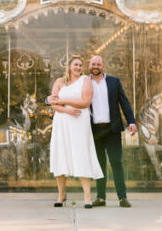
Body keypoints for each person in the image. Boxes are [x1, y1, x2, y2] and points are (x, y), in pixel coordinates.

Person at [47, 54, 104, 208]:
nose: (78, 68)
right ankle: (61, 195)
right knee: (61, 155)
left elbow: (85, 102)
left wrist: (64, 101)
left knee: (81, 155)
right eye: (76, 65)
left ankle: (87, 198)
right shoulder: (59, 82)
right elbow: (53, 103)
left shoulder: (85, 80)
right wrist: (66, 111)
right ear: (69, 67)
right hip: (62, 122)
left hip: (79, 121)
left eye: (80, 65)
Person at [86, 55, 137, 208]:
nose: (96, 66)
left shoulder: (114, 82)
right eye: (93, 64)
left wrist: (131, 122)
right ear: (89, 66)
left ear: (103, 66)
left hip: (112, 129)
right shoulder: (84, 83)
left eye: (98, 64)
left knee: (116, 162)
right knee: (99, 164)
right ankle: (101, 198)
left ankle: (123, 197)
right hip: (94, 130)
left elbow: (124, 103)